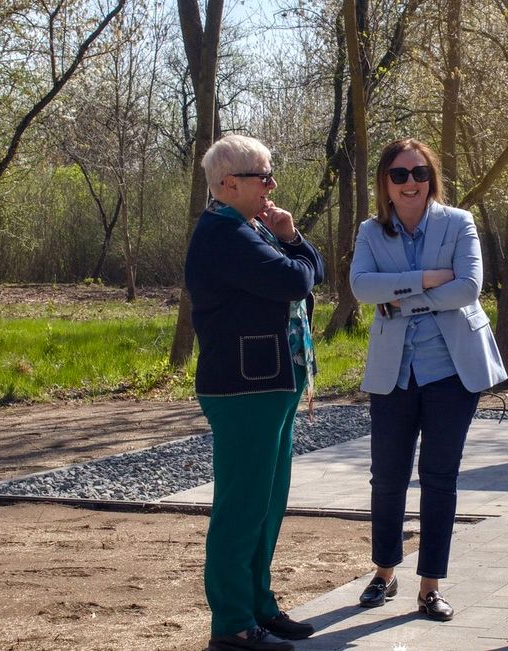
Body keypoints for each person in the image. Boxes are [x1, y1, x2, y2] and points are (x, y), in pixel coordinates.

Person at [349, 138, 507, 622]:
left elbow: (468, 287)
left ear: (431, 178)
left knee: (439, 477)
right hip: (394, 374)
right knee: (387, 477)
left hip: (452, 372)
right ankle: (384, 572)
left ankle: (430, 586)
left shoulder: (458, 222)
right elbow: (361, 286)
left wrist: (402, 301)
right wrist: (426, 278)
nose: (411, 182)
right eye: (399, 174)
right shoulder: (370, 231)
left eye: (419, 173)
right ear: (386, 183)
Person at [185, 134, 325, 651]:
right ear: (228, 184)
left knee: (267, 504)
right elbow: (296, 282)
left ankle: (259, 606)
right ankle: (233, 623)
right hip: (243, 388)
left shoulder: (252, 228)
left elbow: (311, 270)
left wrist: (292, 237)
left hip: (273, 381)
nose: (272, 184)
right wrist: (295, 250)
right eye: (263, 176)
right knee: (242, 508)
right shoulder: (224, 234)